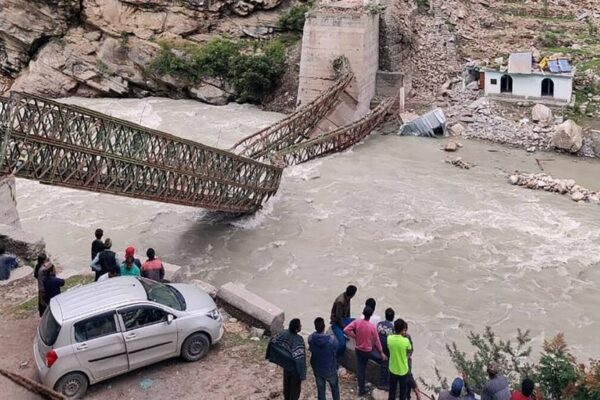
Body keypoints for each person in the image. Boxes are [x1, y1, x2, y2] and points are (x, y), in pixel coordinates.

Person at [344, 306, 387, 396]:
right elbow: (376, 341)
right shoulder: (372, 327)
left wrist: (354, 336)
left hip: (359, 350)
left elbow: (346, 330)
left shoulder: (357, 322)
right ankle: (383, 383)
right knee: (384, 361)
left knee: (361, 371)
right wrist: (381, 352)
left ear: (363, 313)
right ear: (370, 315)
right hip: (368, 351)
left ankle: (361, 390)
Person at [266, 319, 306, 400]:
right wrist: (302, 374)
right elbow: (300, 359)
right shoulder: (298, 339)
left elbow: (272, 342)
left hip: (286, 366)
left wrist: (276, 357)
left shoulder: (283, 333)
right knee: (294, 391)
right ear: (297, 328)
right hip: (295, 370)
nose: (301, 326)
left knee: (287, 387)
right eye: (300, 325)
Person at [308, 317, 340, 400]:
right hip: (330, 368)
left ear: (315, 327)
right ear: (324, 326)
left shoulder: (310, 338)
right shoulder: (332, 340)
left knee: (321, 390)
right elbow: (336, 348)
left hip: (317, 368)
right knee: (334, 388)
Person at [387, 318, 412, 400]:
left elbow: (389, 348)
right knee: (402, 391)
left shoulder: (389, 338)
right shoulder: (406, 341)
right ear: (402, 330)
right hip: (403, 370)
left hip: (392, 368)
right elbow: (409, 350)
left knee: (392, 389)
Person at [330, 285, 357, 358]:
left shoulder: (348, 298)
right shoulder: (340, 301)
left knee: (356, 322)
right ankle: (337, 359)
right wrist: (345, 329)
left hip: (344, 319)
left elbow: (348, 312)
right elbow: (338, 317)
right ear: (353, 294)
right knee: (342, 344)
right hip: (336, 323)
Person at [378, 307, 396, 390]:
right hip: (386, 349)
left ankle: (383, 382)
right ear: (393, 317)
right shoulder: (393, 329)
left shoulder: (379, 324)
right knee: (387, 363)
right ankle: (384, 383)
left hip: (378, 346)